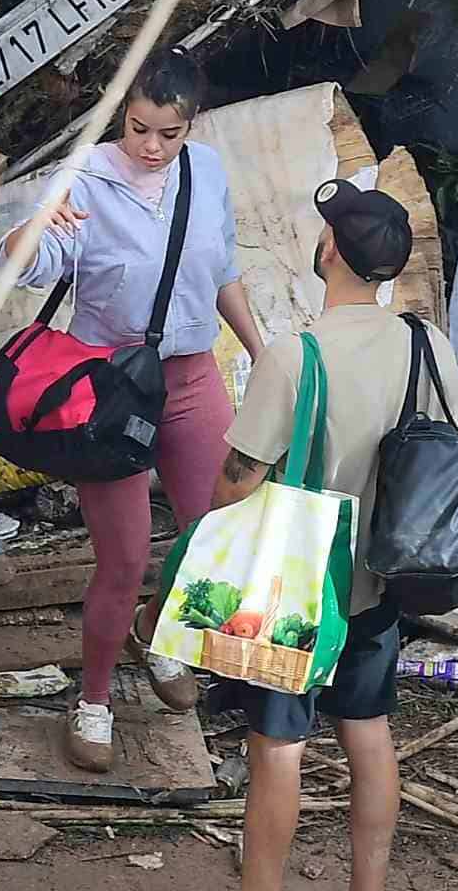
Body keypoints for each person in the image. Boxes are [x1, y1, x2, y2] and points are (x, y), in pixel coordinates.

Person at [188, 182, 458, 891]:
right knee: (369, 731)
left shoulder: (296, 354)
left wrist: (205, 544)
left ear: (329, 251)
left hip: (297, 586)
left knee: (278, 748)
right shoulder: (425, 345)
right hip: (382, 577)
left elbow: (239, 479)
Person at [18, 52, 270, 774]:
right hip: (107, 388)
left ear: (191, 125)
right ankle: (92, 699)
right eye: (138, 129)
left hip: (193, 376)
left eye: (169, 132)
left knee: (215, 534)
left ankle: (158, 630)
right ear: (118, 113)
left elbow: (222, 270)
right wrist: (31, 229)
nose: (152, 146)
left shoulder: (208, 173)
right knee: (123, 557)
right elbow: (29, 262)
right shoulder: (87, 178)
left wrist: (261, 350)